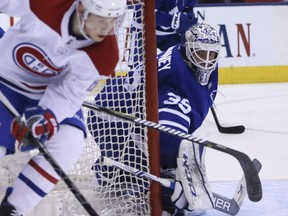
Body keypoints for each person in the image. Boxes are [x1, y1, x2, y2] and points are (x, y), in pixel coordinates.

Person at [0, 0, 126, 215]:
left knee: (70, 142)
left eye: (112, 21)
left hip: (44, 95)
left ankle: (13, 209)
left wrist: (46, 117)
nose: (106, 28)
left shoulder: (105, 54)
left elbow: (68, 94)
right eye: (100, 19)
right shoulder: (46, 4)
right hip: (5, 79)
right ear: (81, 9)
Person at [87, 22, 222, 215]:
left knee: (153, 160)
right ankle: (108, 173)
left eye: (212, 55)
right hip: (110, 117)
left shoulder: (182, 58)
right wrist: (171, 181)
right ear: (188, 50)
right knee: (144, 176)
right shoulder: (175, 81)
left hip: (121, 108)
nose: (207, 61)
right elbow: (167, 138)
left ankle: (116, 171)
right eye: (201, 54)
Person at [128, 0, 198, 68]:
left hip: (169, 35)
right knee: (136, 67)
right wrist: (174, 20)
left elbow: (188, 9)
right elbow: (145, 12)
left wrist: (187, 20)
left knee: (183, 64)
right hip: (143, 31)